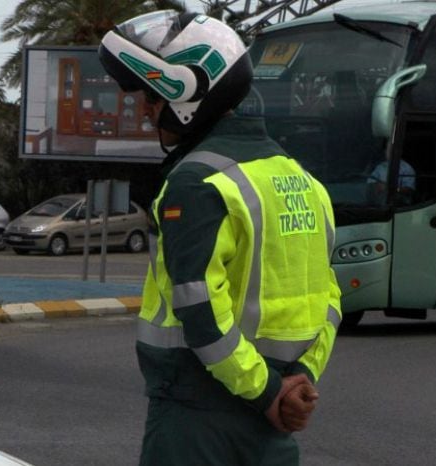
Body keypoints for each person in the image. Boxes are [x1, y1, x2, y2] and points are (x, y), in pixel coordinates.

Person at [99, 11, 342, 465]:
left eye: (151, 97)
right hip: (274, 421)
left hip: (199, 418)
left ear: (188, 93)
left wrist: (267, 393)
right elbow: (328, 298)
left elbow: (200, 308)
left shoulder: (197, 182)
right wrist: (299, 381)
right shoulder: (305, 181)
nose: (146, 110)